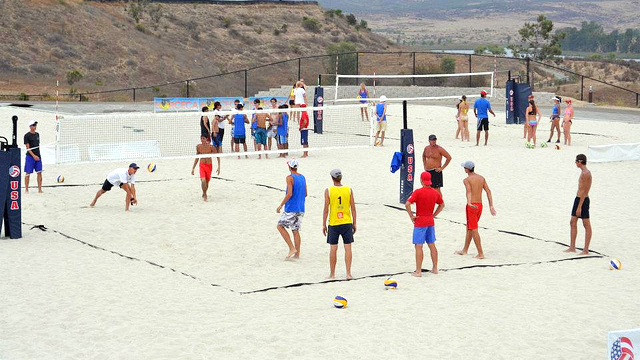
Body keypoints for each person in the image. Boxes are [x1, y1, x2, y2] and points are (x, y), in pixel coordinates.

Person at [405, 172, 444, 277]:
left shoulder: (418, 192)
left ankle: (418, 271)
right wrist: (434, 215)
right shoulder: (435, 192)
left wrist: (411, 216)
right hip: (430, 221)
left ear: (422, 180)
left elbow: (407, 204)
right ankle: (435, 268)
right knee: (432, 244)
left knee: (419, 246)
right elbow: (442, 205)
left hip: (420, 221)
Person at [455, 161, 497, 259]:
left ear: (467, 169)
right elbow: (488, 191)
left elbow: (469, 192)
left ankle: (480, 253)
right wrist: (491, 205)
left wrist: (469, 203)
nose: (464, 169)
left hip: (472, 206)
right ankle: (465, 250)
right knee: (470, 227)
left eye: (464, 168)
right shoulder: (481, 178)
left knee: (474, 229)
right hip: (480, 205)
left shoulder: (467, 180)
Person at [322, 169, 357, 280]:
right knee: (348, 248)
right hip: (346, 222)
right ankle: (348, 273)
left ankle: (332, 274)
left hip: (334, 223)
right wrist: (354, 222)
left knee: (333, 249)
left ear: (332, 178)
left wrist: (323, 224)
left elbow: (326, 209)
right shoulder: (349, 190)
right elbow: (353, 208)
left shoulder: (328, 190)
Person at [276, 159, 307, 259]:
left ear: (289, 167)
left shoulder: (289, 178)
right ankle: (297, 254)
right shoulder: (302, 177)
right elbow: (306, 193)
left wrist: (281, 205)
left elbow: (289, 194)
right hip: (301, 207)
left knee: (280, 226)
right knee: (295, 230)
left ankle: (291, 248)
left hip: (291, 207)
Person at [565, 154, 592, 255]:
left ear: (580, 162)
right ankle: (572, 247)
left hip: (583, 200)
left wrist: (579, 206)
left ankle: (586, 250)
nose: (575, 163)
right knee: (572, 222)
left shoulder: (586, 174)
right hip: (577, 199)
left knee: (586, 224)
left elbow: (585, 191)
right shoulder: (583, 172)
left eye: (576, 161)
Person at [191, 135, 220, 201]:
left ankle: (204, 192)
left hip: (209, 165)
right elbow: (197, 157)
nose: (202, 140)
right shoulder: (198, 147)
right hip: (202, 165)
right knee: (203, 180)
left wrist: (219, 167)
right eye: (201, 138)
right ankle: (205, 195)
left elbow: (218, 156)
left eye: (203, 138)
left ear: (206, 139)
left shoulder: (211, 147)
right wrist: (193, 168)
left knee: (207, 183)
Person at [24, 120, 43, 193]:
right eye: (34, 125)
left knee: (39, 172)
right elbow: (28, 148)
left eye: (35, 125)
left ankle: (40, 189)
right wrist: (34, 156)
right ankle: (26, 189)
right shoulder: (27, 135)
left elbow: (38, 146)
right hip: (30, 157)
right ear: (30, 126)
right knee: (28, 173)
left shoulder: (37, 134)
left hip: (38, 157)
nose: (35, 126)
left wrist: (38, 155)